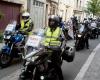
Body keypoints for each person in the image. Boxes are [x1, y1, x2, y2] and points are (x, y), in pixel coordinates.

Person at [19, 15, 64, 80]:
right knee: (33, 61)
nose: (51, 22)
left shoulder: (60, 30)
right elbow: (40, 35)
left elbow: (64, 41)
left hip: (54, 51)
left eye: (53, 21)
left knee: (56, 65)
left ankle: (61, 78)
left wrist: (59, 47)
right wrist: (33, 36)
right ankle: (29, 74)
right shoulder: (46, 29)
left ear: (56, 22)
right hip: (44, 49)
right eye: (50, 21)